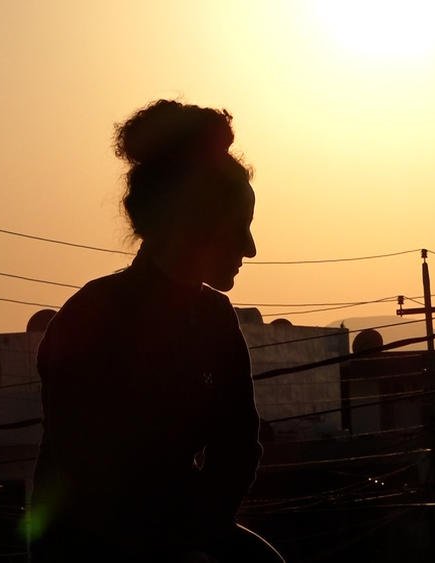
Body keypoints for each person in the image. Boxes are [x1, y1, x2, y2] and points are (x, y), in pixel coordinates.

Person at [30, 100, 283, 562]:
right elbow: (87, 471)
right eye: (239, 228)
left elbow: (237, 447)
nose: (250, 248)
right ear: (192, 224)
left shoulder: (216, 319)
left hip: (183, 532)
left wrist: (201, 531)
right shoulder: (91, 317)